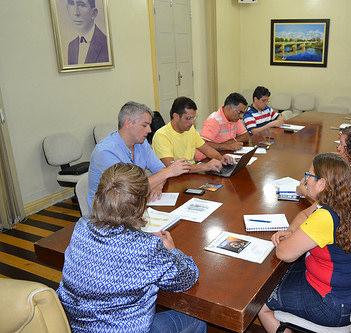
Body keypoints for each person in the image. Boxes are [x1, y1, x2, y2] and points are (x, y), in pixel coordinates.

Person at [57, 163, 206, 333]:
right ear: (141, 204)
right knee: (196, 319)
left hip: (74, 326)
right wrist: (172, 250)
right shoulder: (147, 248)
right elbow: (187, 278)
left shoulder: (82, 226)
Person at [258, 153, 351, 331]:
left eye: (309, 176)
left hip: (330, 303)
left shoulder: (326, 217)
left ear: (323, 183)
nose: (305, 180)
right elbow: (305, 214)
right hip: (346, 291)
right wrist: (292, 231)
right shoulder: (349, 200)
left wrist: (291, 238)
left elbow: (283, 253)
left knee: (259, 304)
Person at [87, 101, 190, 210]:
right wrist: (168, 172)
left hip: (134, 206)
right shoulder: (105, 152)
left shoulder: (141, 143)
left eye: (149, 125)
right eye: (144, 125)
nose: (149, 130)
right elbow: (128, 190)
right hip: (108, 214)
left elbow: (160, 169)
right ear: (128, 123)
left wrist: (158, 186)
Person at [152, 96, 233, 173]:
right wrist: (205, 167)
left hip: (191, 172)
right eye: (188, 118)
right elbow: (172, 167)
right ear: (176, 116)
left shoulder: (190, 129)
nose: (192, 122)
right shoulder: (162, 136)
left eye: (193, 118)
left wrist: (221, 158)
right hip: (173, 179)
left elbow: (207, 149)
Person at [194, 92, 249, 161]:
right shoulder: (214, 120)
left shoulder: (235, 119)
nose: (241, 117)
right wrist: (228, 146)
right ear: (229, 108)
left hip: (224, 154)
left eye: (243, 113)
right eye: (240, 112)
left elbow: (245, 136)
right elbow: (204, 144)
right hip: (206, 159)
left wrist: (230, 143)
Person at [66, 0, 109, 65]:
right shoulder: (72, 46)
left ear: (93, 13)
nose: (75, 12)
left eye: (81, 4)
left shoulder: (106, 44)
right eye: (71, 3)